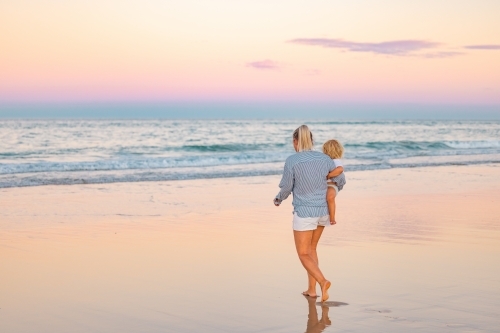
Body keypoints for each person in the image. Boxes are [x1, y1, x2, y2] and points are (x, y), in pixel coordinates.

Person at [273, 125, 343, 302]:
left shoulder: (292, 160)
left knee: (303, 253)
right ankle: (312, 290)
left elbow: (287, 186)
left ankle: (322, 281)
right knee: (311, 249)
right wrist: (327, 183)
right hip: (323, 211)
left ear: (295, 141)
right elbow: (339, 179)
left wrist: (279, 199)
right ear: (312, 141)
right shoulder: (325, 158)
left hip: (304, 212)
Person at [323, 140, 346, 225]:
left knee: (330, 197)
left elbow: (340, 169)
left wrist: (328, 175)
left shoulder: (336, 161)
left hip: (332, 185)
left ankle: (332, 218)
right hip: (324, 185)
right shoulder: (324, 161)